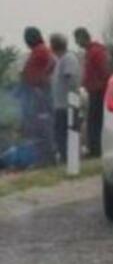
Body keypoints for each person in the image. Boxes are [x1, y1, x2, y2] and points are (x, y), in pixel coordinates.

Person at [73, 28, 111, 157]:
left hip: (98, 91)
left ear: (83, 37)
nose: (77, 43)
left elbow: (104, 71)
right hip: (94, 90)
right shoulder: (91, 52)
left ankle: (96, 149)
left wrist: (98, 84)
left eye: (77, 39)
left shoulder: (95, 52)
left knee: (95, 122)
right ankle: (95, 148)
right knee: (93, 121)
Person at [21, 27, 55, 164]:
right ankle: (45, 157)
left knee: (42, 127)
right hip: (37, 93)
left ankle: (46, 158)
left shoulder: (40, 51)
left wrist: (40, 82)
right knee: (41, 126)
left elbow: (50, 65)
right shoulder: (40, 50)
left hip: (39, 94)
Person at [50, 34, 81, 163]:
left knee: (67, 132)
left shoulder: (68, 59)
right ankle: (65, 157)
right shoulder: (61, 60)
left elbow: (70, 78)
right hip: (60, 104)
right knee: (61, 132)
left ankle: (70, 158)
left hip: (67, 103)